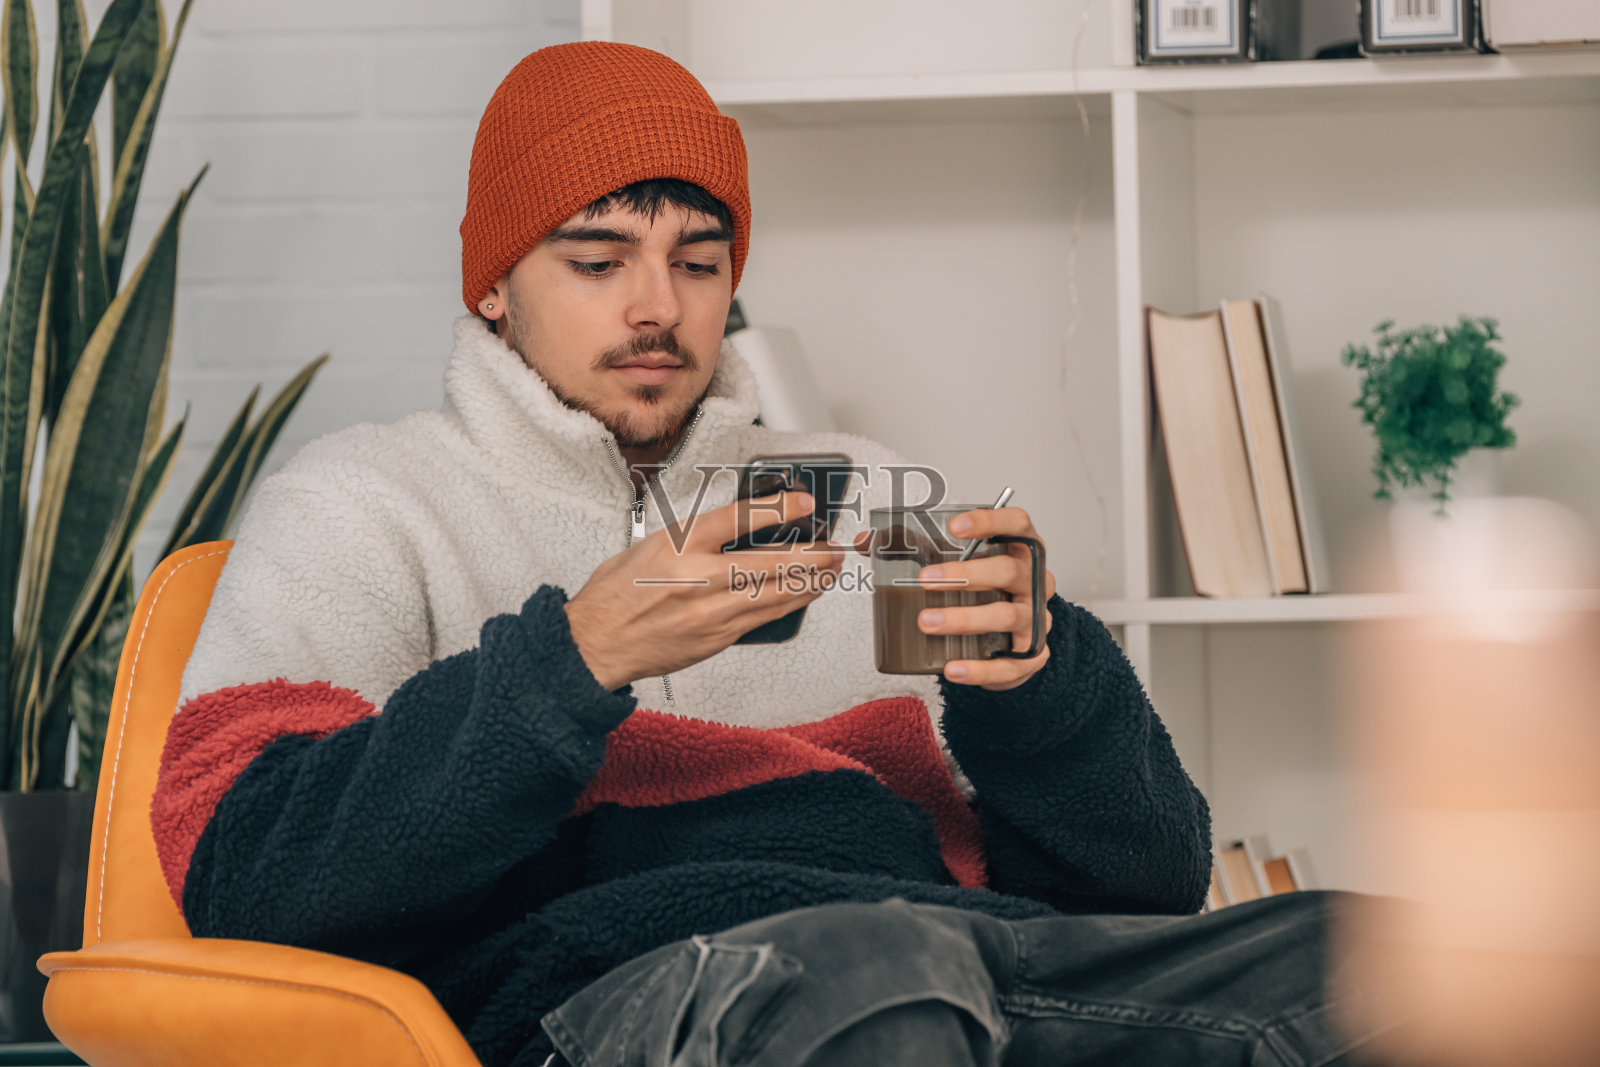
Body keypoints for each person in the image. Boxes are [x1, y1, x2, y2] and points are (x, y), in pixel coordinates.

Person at [150, 41, 1400, 1067]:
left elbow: (1152, 887)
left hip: (975, 962)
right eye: (598, 261)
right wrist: (574, 661)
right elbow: (246, 874)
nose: (658, 306)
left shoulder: (865, 485)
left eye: (699, 264)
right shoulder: (362, 505)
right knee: (875, 971)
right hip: (602, 999)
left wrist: (1038, 688)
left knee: (1394, 964)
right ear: (492, 283)